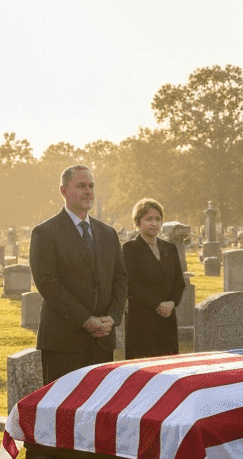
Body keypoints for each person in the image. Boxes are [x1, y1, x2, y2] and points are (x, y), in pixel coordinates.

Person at [29, 165, 128, 385]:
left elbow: (120, 279)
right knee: (63, 412)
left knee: (98, 412)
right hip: (63, 342)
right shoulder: (45, 233)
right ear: (63, 191)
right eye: (81, 186)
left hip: (102, 340)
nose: (88, 191)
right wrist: (85, 320)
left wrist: (112, 317)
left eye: (91, 186)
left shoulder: (108, 233)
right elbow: (48, 284)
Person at [122, 198, 186, 359]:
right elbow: (132, 284)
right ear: (138, 222)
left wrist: (172, 303)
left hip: (167, 319)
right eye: (148, 219)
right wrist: (158, 305)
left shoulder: (170, 248)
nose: (154, 223)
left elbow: (179, 282)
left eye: (158, 219)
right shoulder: (130, 249)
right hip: (142, 320)